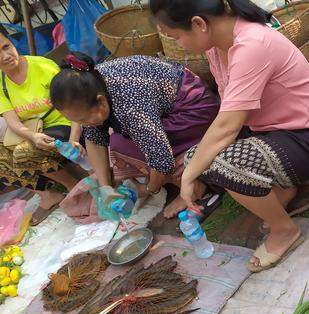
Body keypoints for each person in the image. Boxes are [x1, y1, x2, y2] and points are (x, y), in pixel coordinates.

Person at [149, 0, 309, 272]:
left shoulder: (251, 45)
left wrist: (187, 177)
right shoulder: (218, 46)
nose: (179, 45)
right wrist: (194, 166)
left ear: (198, 24)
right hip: (274, 133)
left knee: (220, 163)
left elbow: (227, 127)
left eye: (176, 36)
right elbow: (230, 115)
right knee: (200, 156)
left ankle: (285, 230)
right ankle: (283, 191)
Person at [50, 53, 221, 219]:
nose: (84, 124)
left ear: (101, 101)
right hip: (170, 108)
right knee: (119, 139)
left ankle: (193, 188)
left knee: (122, 145)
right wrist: (105, 189)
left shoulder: (130, 107)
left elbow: (161, 158)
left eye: (84, 119)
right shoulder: (90, 82)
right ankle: (182, 176)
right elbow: (94, 138)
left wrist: (148, 189)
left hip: (196, 111)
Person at [0, 32, 81, 224]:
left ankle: (75, 186)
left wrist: (75, 139)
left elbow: (76, 103)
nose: (6, 55)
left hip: (66, 123)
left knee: (23, 153)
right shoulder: (1, 82)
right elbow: (13, 121)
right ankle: (48, 194)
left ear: (12, 43)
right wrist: (32, 136)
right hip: (38, 131)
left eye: (6, 47)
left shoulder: (42, 66)